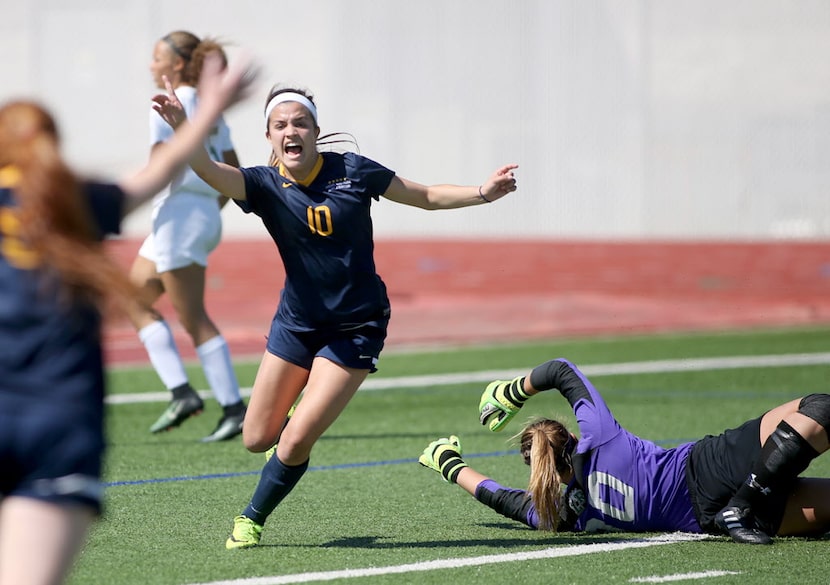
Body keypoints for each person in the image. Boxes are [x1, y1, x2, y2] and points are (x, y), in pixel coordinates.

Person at [152, 82, 519, 549]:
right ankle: (293, 428)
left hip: (355, 328)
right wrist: (183, 126)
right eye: (281, 125)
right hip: (297, 323)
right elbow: (208, 170)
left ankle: (252, 518)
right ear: (269, 137)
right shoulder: (263, 185)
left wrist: (483, 192)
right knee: (255, 438)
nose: (291, 131)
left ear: (316, 131)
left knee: (294, 440)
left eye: (300, 123)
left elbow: (424, 195)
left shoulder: (353, 171)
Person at [0, 53, 256, 585]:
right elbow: (158, 172)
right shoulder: (76, 203)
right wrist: (210, 109)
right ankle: (204, 396)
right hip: (59, 431)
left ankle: (215, 398)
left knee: (186, 312)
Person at [419, 357, 830, 544]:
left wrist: (450, 464)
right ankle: (744, 501)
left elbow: (505, 500)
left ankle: (743, 506)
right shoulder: (599, 441)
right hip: (708, 470)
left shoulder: (567, 512)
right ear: (570, 438)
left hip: (706, 519)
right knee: (821, 408)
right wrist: (511, 392)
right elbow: (562, 371)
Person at [126, 30, 247, 441]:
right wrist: (208, 210)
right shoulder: (211, 105)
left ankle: (235, 409)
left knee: (192, 316)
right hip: (194, 213)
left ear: (177, 64)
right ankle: (181, 392)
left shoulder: (170, 101)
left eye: (157, 56)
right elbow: (233, 165)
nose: (151, 64)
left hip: (180, 215)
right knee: (133, 298)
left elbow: (163, 162)